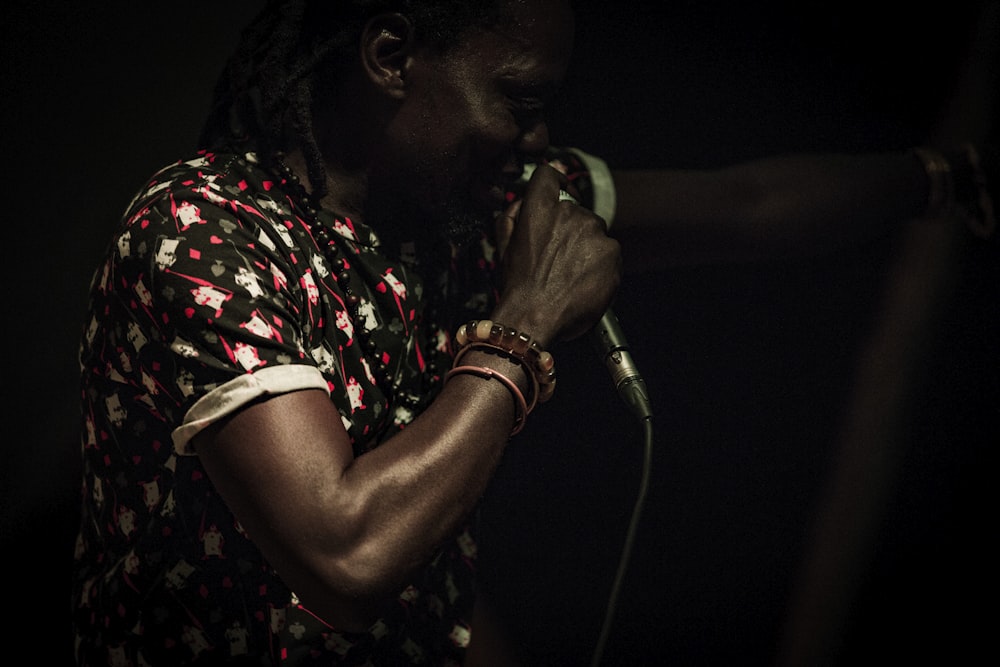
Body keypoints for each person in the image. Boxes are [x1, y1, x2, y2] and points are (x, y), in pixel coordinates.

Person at [70, 0, 996, 665]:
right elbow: (346, 559)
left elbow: (746, 205)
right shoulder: (204, 232)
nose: (538, 137)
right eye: (518, 100)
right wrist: (525, 324)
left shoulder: (461, 215)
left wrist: (945, 178)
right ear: (391, 53)